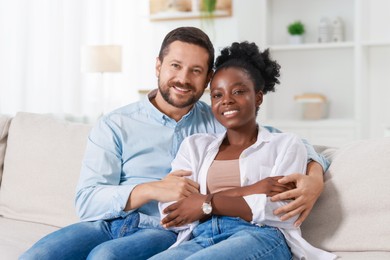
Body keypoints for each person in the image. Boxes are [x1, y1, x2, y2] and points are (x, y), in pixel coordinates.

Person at [20, 27, 328, 260]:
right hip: (108, 223)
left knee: (105, 257)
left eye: (195, 71)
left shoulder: (218, 119)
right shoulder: (116, 124)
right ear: (158, 66)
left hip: (166, 229)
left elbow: (282, 141)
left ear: (207, 79)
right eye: (175, 66)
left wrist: (315, 178)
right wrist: (152, 189)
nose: (183, 79)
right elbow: (87, 201)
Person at [151, 41, 336, 260]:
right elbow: (172, 210)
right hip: (201, 236)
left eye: (238, 91)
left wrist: (206, 202)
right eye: (217, 95)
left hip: (261, 236)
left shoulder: (286, 144)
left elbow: (280, 211)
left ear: (258, 97)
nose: (226, 100)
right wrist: (250, 190)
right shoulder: (194, 146)